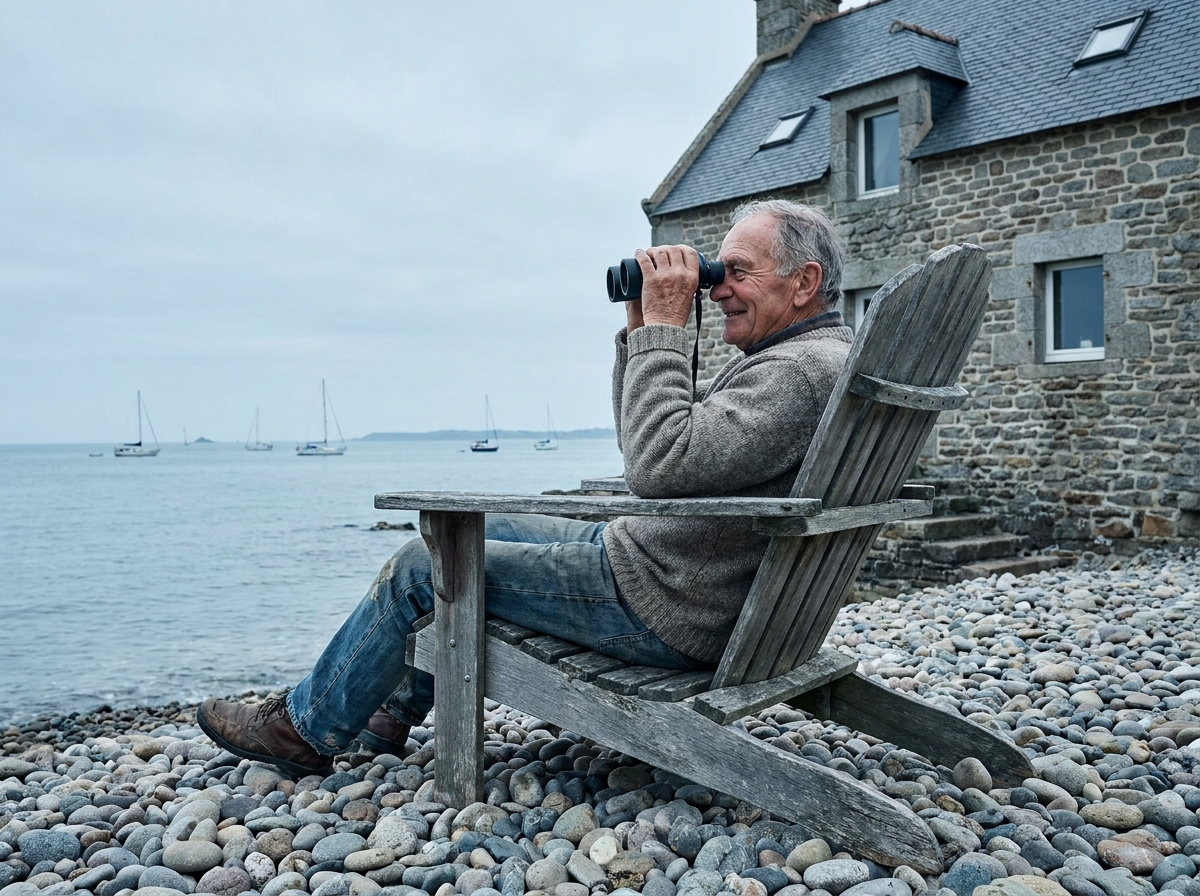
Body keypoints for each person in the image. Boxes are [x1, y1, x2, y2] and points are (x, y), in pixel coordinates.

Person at [197, 199, 854, 775]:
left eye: (736, 272)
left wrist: (664, 327)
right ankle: (380, 721)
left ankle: (302, 731)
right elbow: (654, 445)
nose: (716, 290)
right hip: (685, 582)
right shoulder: (811, 361)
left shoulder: (793, 373)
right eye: (718, 274)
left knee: (425, 565)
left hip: (665, 607)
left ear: (804, 283)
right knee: (478, 534)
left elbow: (655, 466)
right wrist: (641, 330)